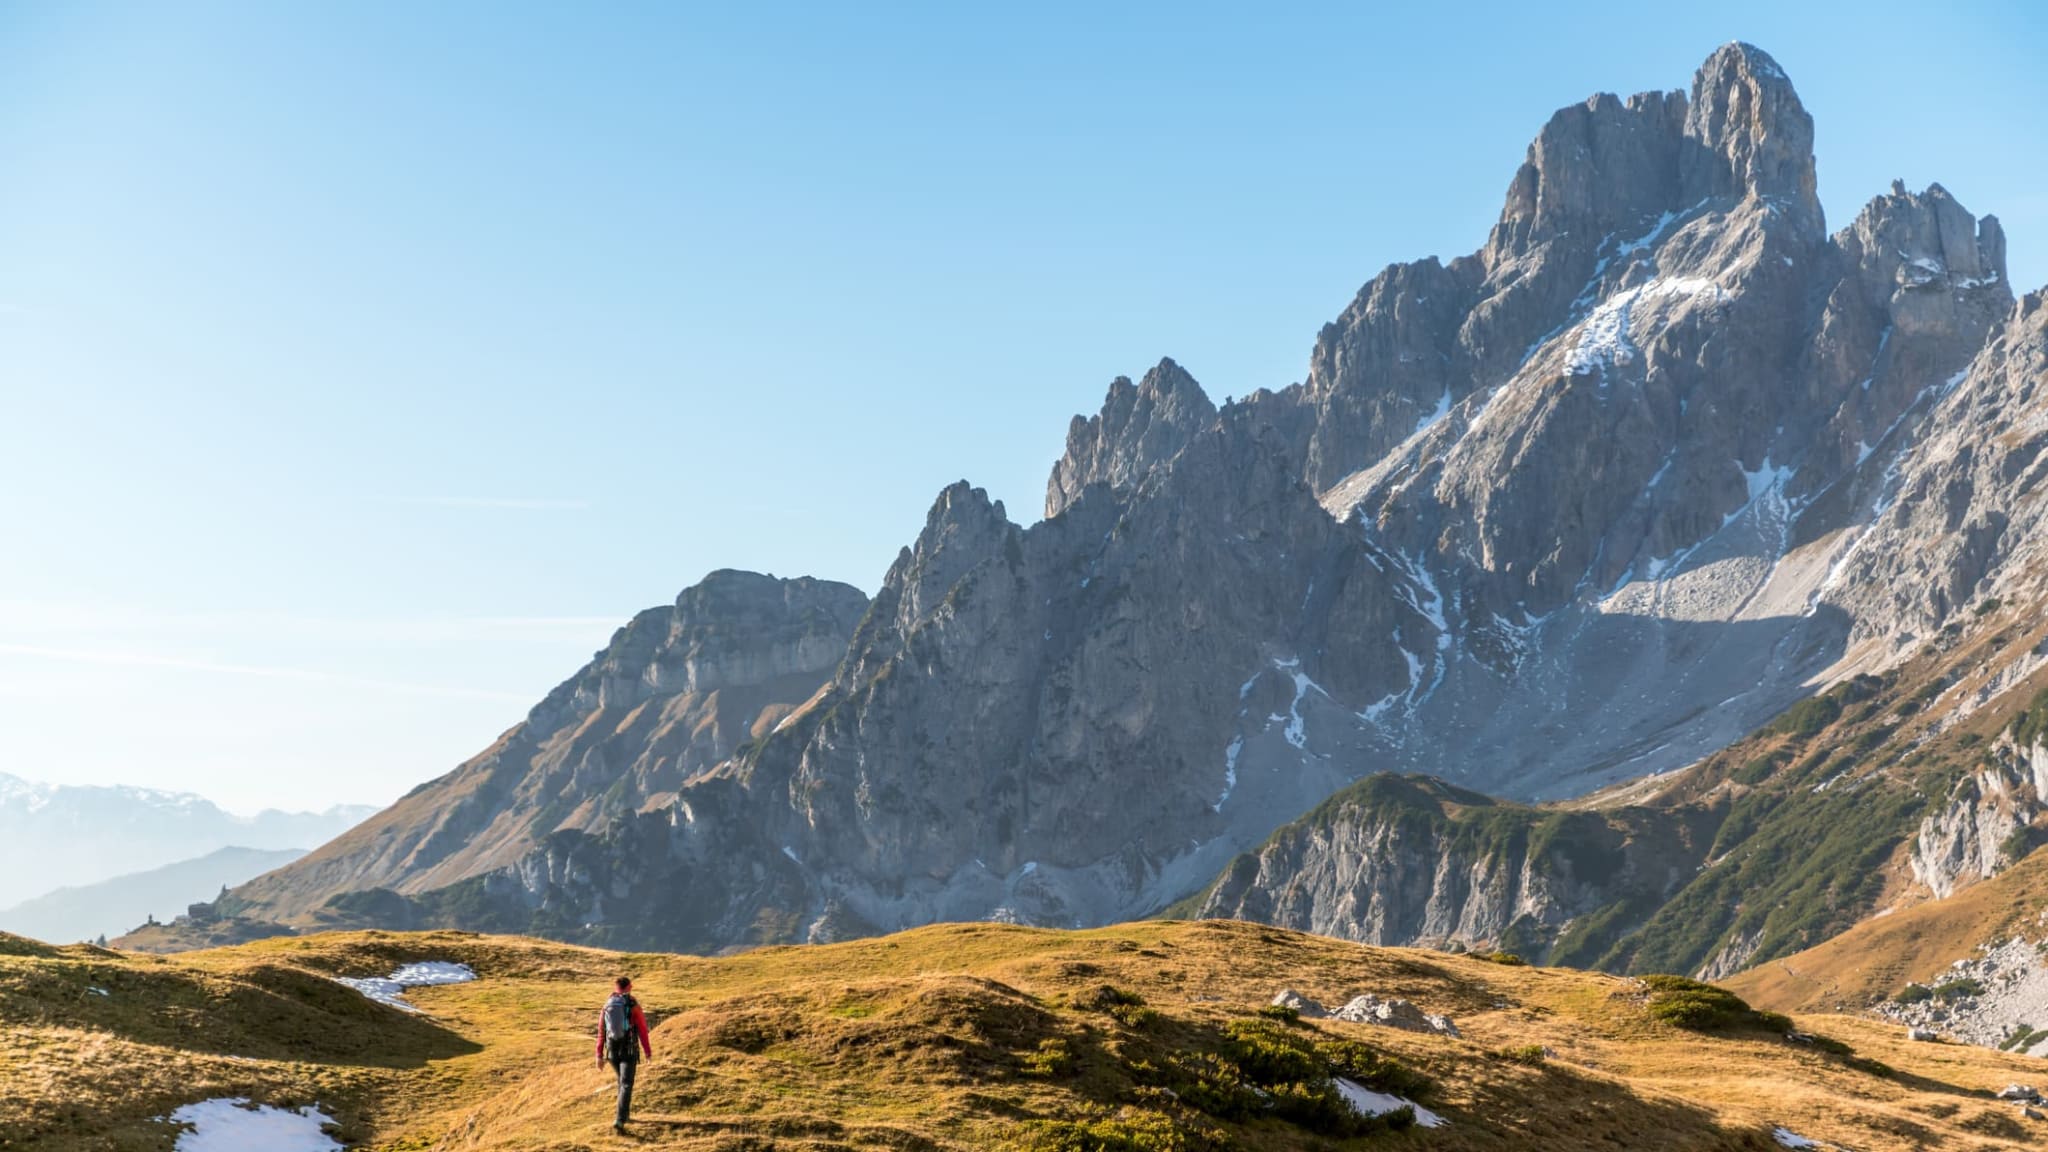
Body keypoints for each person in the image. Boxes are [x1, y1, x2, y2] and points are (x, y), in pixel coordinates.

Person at [596, 975, 653, 1134]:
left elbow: (601, 1031)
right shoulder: (632, 1004)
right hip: (629, 1050)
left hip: (612, 1051)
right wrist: (647, 1052)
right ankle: (620, 1120)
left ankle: (625, 1115)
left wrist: (599, 1055)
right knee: (626, 1083)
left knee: (622, 1082)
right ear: (630, 987)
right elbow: (642, 1029)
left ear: (616, 987)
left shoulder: (607, 1005)